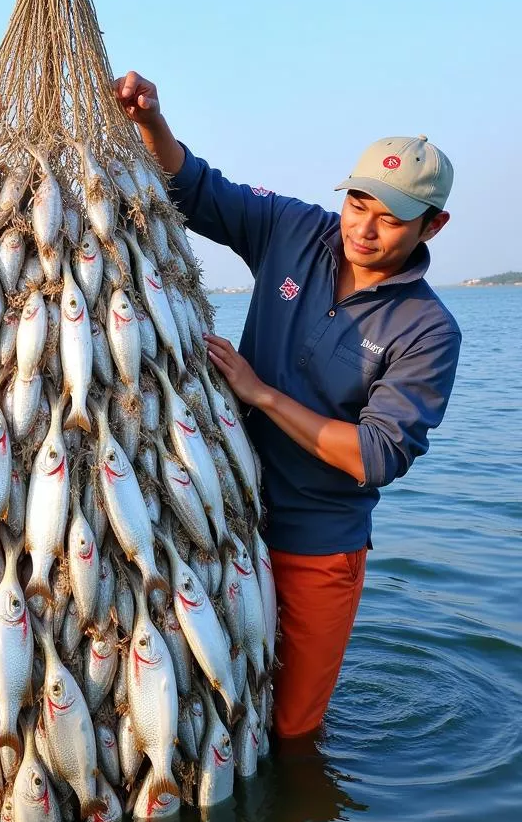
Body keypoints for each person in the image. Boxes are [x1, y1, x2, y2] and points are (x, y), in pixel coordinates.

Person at [113, 71, 461, 741]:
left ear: (432, 225)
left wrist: (261, 395)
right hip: (219, 518)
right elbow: (196, 190)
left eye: (391, 217)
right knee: (204, 707)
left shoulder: (428, 329)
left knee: (293, 731)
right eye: (359, 203)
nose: (365, 226)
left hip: (316, 548)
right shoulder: (294, 228)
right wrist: (152, 122)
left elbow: (378, 457)